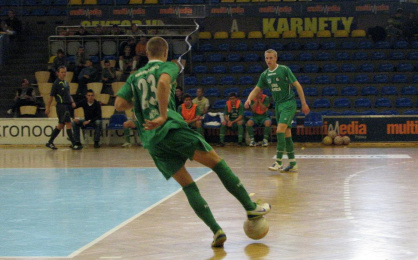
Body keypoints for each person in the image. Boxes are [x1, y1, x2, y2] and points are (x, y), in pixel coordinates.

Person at [114, 36, 271, 247]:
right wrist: (161, 114)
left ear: (147, 53)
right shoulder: (168, 67)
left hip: (152, 141)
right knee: (217, 163)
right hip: (171, 128)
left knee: (188, 186)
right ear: (165, 53)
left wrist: (141, 104)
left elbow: (119, 104)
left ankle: (216, 230)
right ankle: (250, 207)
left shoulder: (134, 77)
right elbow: (162, 82)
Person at [245, 49, 310, 172]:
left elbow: (298, 86)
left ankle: (278, 162)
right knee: (286, 133)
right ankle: (292, 163)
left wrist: (303, 103)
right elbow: (256, 89)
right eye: (266, 58)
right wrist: (249, 99)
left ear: (276, 58)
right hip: (278, 105)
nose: (268, 60)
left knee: (280, 130)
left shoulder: (284, 70)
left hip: (289, 104)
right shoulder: (264, 75)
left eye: (271, 58)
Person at [45, 66, 80, 150]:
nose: (64, 73)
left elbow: (68, 94)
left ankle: (50, 142)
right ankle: (74, 143)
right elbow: (51, 97)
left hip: (68, 105)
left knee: (61, 125)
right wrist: (48, 108)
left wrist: (72, 102)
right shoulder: (56, 83)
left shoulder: (66, 83)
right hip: (61, 106)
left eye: (65, 72)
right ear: (58, 73)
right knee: (68, 123)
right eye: (62, 72)